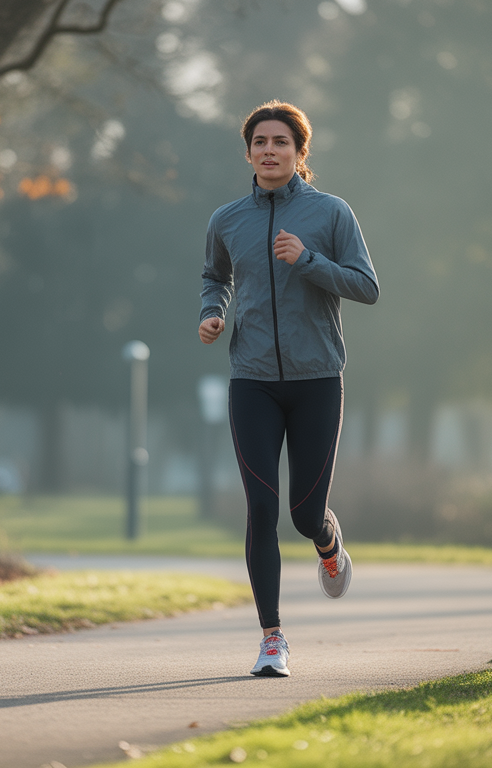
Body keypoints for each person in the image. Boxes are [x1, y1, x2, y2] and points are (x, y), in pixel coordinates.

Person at [198, 100, 379, 677]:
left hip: (317, 378)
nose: (269, 151)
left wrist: (308, 260)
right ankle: (272, 639)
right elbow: (214, 276)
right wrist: (212, 312)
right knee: (260, 508)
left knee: (303, 512)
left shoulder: (331, 213)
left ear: (301, 153)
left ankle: (328, 543)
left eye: (281, 142)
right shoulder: (227, 219)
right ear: (248, 151)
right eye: (259, 142)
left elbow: (367, 286)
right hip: (251, 379)